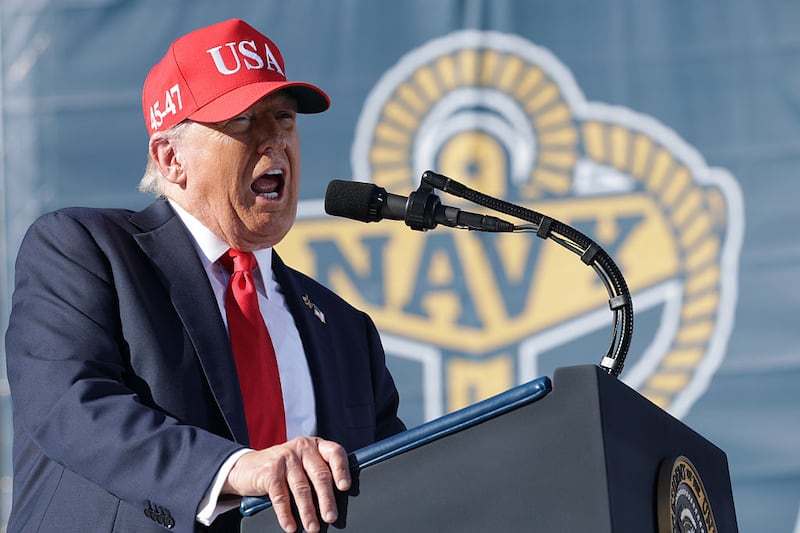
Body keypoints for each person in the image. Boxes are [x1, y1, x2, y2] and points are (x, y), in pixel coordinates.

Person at [5, 18, 405, 533]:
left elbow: (402, 483)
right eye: (242, 120)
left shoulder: (346, 329)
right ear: (171, 158)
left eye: (284, 117)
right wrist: (235, 468)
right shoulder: (84, 251)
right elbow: (71, 407)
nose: (274, 139)